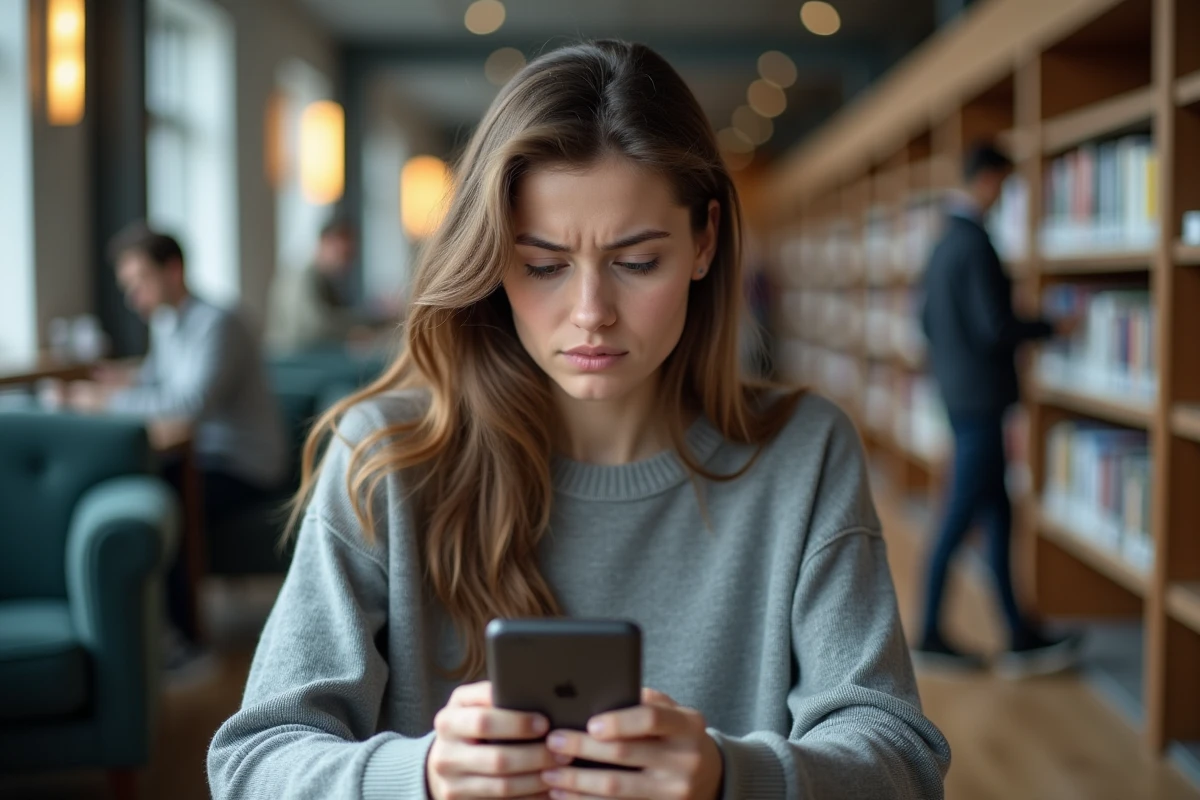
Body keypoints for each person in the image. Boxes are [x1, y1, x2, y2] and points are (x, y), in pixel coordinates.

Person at [208, 41, 950, 800]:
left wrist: (731, 776)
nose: (591, 313)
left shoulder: (805, 452)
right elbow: (252, 762)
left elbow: (902, 761)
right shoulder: (388, 457)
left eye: (636, 262)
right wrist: (418, 777)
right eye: (544, 265)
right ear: (493, 260)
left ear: (704, 241)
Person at [63, 224, 288, 643]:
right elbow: (156, 382)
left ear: (173, 270)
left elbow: (189, 405)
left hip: (243, 462)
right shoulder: (166, 322)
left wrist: (105, 402)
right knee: (142, 480)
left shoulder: (218, 323)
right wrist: (118, 382)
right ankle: (143, 631)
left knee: (165, 491)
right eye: (128, 286)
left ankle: (184, 637)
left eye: (140, 281)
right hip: (202, 456)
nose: (133, 297)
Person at [916, 143, 1081, 676]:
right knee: (959, 514)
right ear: (987, 179)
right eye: (1004, 186)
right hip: (982, 402)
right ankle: (930, 632)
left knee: (997, 513)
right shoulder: (976, 243)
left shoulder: (942, 240)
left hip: (958, 394)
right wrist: (1052, 325)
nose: (1003, 197)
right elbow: (995, 326)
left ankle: (1019, 633)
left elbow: (926, 320)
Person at [266, 217, 382, 352]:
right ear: (325, 243)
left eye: (350, 256)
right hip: (294, 359)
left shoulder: (328, 282)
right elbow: (312, 328)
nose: (347, 263)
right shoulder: (299, 278)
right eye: (343, 254)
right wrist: (358, 328)